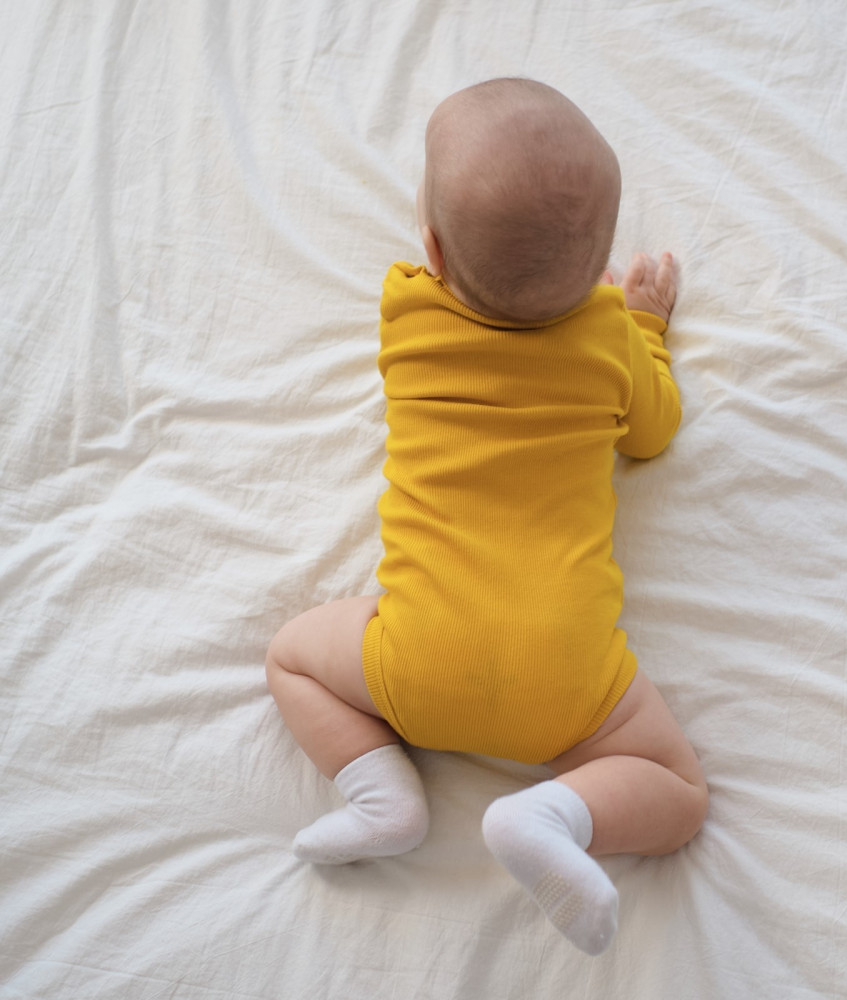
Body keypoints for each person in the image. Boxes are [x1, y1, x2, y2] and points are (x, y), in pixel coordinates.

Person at [265, 77, 708, 956]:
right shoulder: (612, 338)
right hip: (567, 685)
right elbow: (653, 434)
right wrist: (645, 329)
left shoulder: (405, 311)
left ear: (429, 245)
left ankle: (382, 793)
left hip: (413, 662)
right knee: (679, 794)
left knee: (290, 657)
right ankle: (551, 816)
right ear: (599, 262)